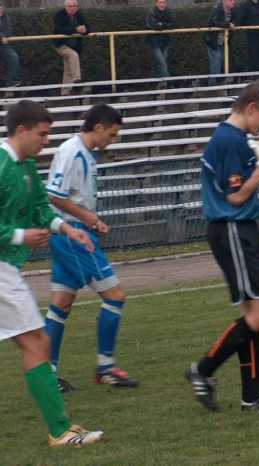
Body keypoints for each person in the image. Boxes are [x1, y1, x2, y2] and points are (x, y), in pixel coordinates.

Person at [185, 81, 259, 412]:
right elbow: (235, 195)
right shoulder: (230, 141)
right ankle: (201, 371)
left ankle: (252, 397)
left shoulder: (233, 138)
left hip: (237, 229)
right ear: (251, 108)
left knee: (252, 316)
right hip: (233, 229)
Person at [0, 100, 104, 446]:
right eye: (42, 134)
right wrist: (21, 236)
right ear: (21, 131)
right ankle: (60, 430)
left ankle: (60, 429)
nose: (47, 140)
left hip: (7, 265)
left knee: (36, 342)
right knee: (37, 342)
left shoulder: (26, 165)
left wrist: (67, 229)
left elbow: (43, 209)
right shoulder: (1, 165)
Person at [44, 104, 139, 393]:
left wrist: (92, 219)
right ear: (97, 127)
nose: (113, 139)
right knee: (115, 295)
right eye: (111, 134)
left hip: (75, 230)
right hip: (72, 235)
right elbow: (53, 194)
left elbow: (73, 196)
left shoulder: (86, 153)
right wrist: (86, 218)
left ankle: (48, 374)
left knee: (61, 304)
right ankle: (105, 366)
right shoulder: (71, 151)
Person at [53, 0, 89, 96]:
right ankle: (77, 80)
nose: (72, 8)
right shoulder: (59, 15)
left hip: (74, 45)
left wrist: (84, 30)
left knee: (68, 68)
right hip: (61, 44)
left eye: (74, 6)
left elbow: (86, 27)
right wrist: (75, 30)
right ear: (66, 7)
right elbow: (59, 29)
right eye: (70, 6)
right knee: (73, 56)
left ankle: (65, 91)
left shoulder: (78, 15)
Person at [206, 0, 238, 86]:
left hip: (224, 39)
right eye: (230, 0)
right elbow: (215, 22)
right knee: (216, 59)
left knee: (220, 60)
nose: (233, 2)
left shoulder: (233, 10)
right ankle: (212, 84)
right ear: (224, 1)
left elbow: (236, 20)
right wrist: (228, 25)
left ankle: (217, 81)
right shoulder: (216, 9)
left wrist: (233, 24)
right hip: (213, 39)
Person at [239, 0, 259, 74]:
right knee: (254, 56)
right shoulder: (246, 5)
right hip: (253, 35)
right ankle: (252, 75)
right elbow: (241, 20)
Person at [146, 0, 175, 79]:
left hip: (164, 40)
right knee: (162, 63)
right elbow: (154, 26)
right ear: (156, 3)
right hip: (154, 41)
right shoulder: (152, 12)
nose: (162, 4)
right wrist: (165, 25)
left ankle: (158, 82)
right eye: (160, 2)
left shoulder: (168, 11)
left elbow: (172, 24)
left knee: (161, 63)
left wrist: (162, 24)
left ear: (166, 3)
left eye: (163, 2)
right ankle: (170, 83)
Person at [0, 3, 20, 87]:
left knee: (13, 57)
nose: (1, 11)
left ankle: (12, 81)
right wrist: (1, 36)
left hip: (2, 46)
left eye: (1, 9)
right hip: (2, 42)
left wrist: (3, 36)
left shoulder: (5, 17)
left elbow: (9, 30)